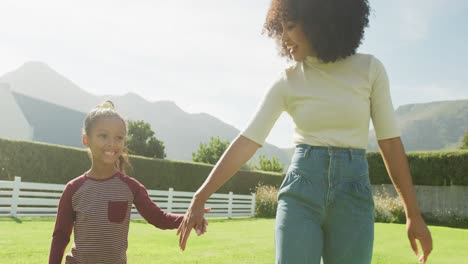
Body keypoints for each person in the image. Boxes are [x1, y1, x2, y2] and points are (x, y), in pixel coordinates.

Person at [177, 0, 433, 263]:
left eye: (290, 26)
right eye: (280, 28)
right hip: (301, 193)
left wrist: (412, 213)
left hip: (353, 196)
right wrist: (200, 196)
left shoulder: (370, 69)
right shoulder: (286, 80)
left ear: (319, 22)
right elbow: (247, 141)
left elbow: (389, 143)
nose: (283, 37)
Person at [49, 101, 208, 264]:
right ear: (86, 139)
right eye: (103, 136)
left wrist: (189, 218)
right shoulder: (73, 189)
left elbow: (159, 218)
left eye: (119, 137)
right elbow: (60, 236)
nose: (112, 143)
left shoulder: (131, 187)